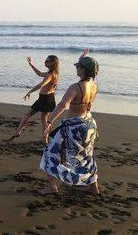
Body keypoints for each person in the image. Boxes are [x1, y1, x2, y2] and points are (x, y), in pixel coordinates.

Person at [39, 53, 100, 195]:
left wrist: (49, 122)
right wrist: (83, 57)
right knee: (86, 156)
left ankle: (52, 187)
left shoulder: (75, 87)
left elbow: (63, 105)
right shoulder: (94, 86)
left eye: (78, 67)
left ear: (84, 70)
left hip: (74, 127)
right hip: (89, 124)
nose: (76, 69)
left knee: (50, 153)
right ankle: (93, 186)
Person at [9, 55, 59, 141]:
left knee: (28, 115)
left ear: (52, 63)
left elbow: (41, 85)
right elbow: (39, 73)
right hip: (49, 98)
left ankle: (18, 132)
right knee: (44, 119)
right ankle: (45, 140)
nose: (45, 62)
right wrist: (31, 65)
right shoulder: (52, 73)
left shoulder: (50, 75)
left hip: (45, 99)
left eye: (47, 61)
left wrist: (30, 92)